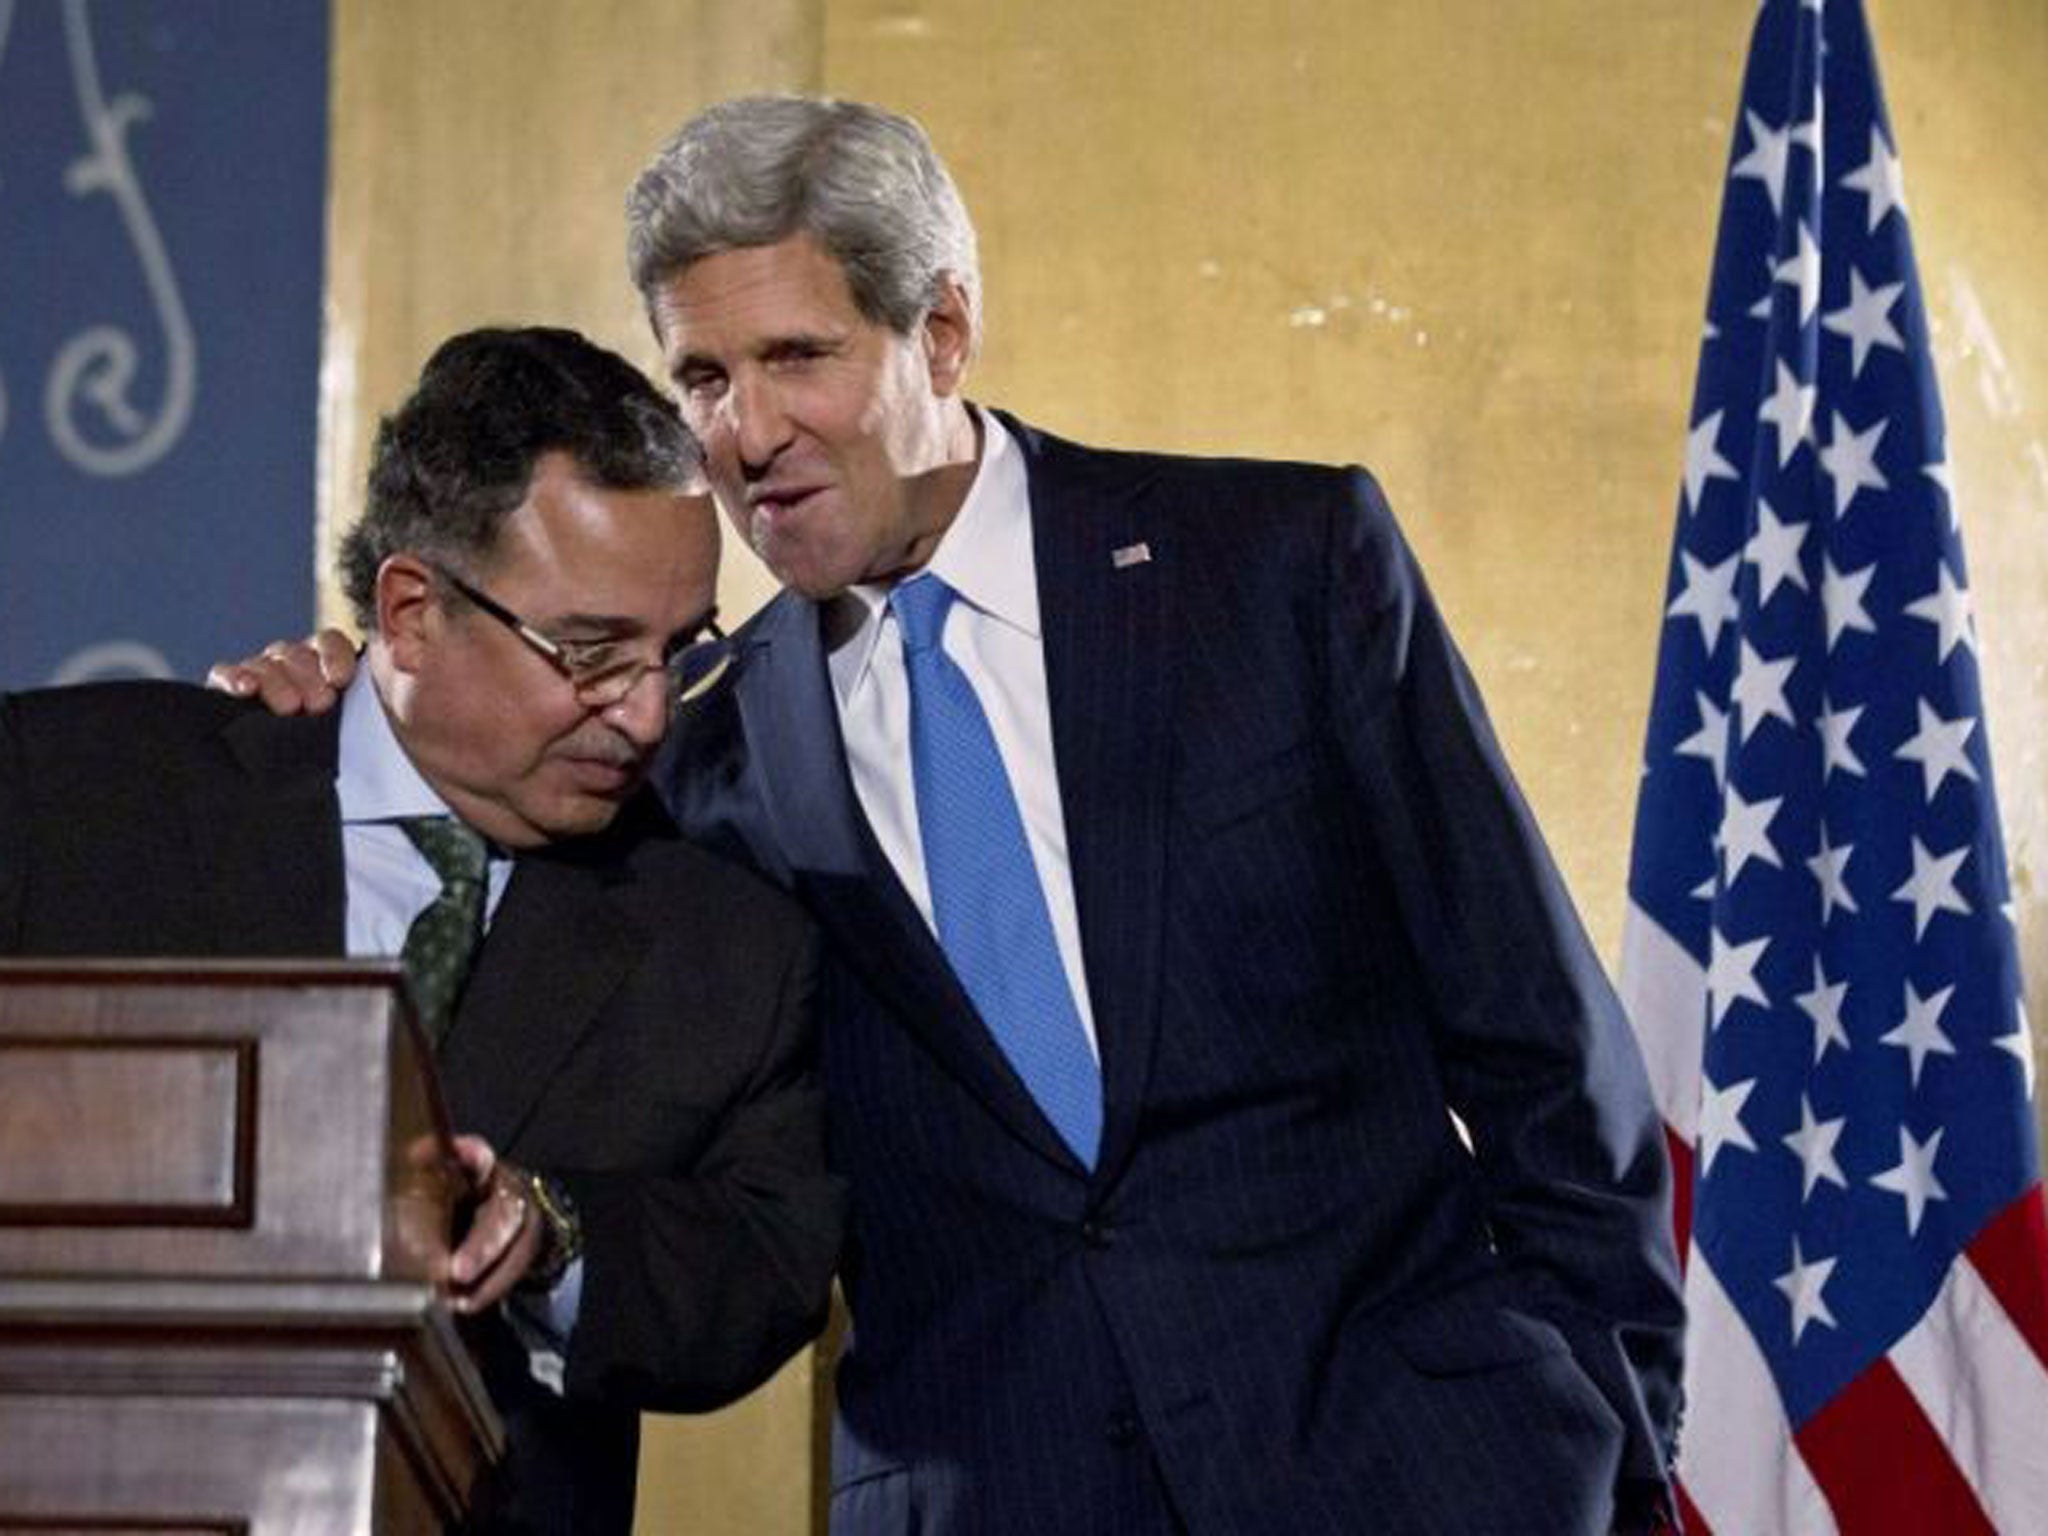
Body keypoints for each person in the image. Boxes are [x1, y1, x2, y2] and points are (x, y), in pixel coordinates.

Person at [224, 101, 1685, 1533]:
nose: (747, 434)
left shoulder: (1274, 570)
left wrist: (1601, 1441)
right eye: (705, 377)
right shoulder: (690, 750)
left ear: (940, 331)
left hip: (1418, 1473)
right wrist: (368, 700)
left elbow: (1538, 1042)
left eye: (798, 357)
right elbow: (490, 901)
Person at [2, 326, 845, 1535]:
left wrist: (555, 1234)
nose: (649, 713)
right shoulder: (74, 793)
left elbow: (760, 1270)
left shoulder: (722, 949)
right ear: (409, 612)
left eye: (681, 651)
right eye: (593, 654)